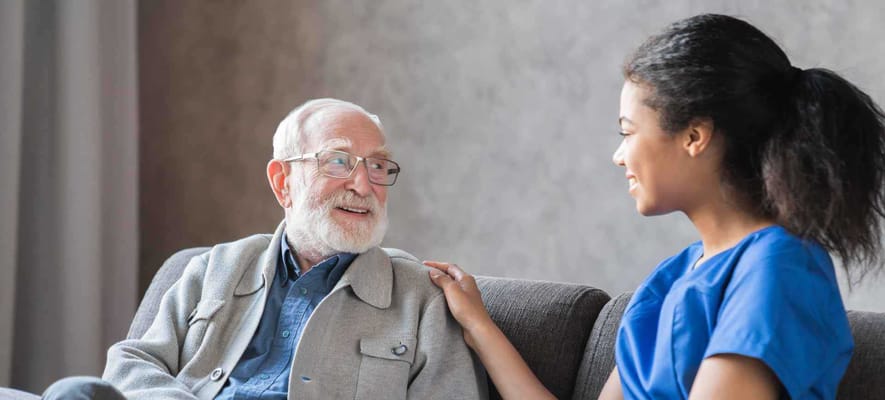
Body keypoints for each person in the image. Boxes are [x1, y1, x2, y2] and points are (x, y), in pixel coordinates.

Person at [427, 14, 885, 399]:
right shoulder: (674, 275)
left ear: (694, 136)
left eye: (628, 131)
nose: (619, 154)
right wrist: (478, 326)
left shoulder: (780, 267)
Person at [44, 98, 487, 399]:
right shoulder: (216, 266)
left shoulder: (420, 297)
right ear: (282, 183)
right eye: (338, 161)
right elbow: (131, 360)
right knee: (73, 393)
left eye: (377, 165)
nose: (363, 183)